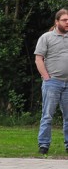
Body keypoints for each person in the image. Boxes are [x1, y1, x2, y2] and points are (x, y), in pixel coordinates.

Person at [34, 8, 68, 155]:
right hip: (52, 82)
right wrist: (47, 78)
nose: (67, 23)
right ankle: (43, 145)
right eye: (65, 20)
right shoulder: (46, 37)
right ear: (56, 21)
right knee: (48, 115)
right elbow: (38, 58)